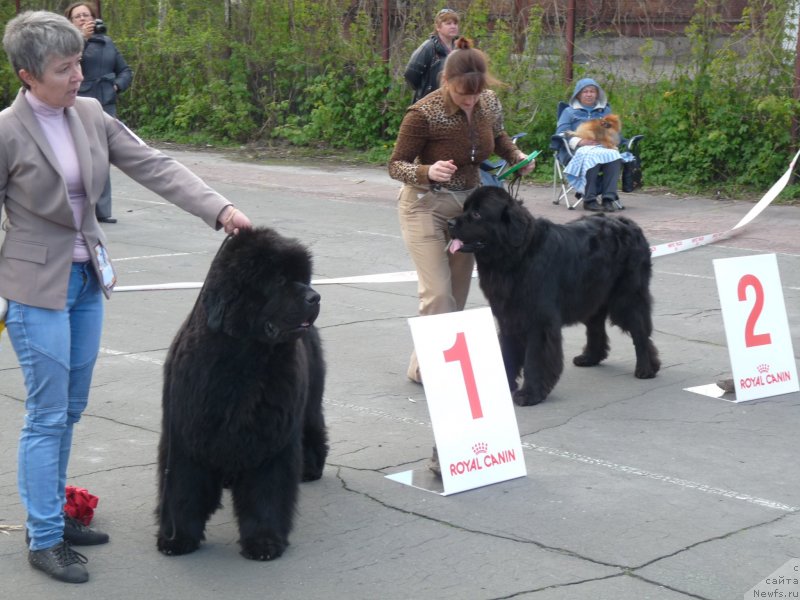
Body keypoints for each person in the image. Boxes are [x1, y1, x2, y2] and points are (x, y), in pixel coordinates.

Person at [0, 11, 252, 584]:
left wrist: (221, 210)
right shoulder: (6, 132)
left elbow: (155, 166)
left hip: (87, 282)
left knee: (70, 407)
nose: (77, 76)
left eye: (78, 63)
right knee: (45, 413)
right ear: (26, 75)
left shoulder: (90, 114)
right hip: (35, 289)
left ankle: (57, 514)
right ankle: (43, 538)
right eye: (63, 69)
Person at [389, 37, 534, 388]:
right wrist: (426, 172)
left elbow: (498, 136)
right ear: (446, 82)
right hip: (425, 206)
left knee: (456, 292)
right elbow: (395, 165)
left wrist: (516, 157)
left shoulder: (487, 102)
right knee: (438, 293)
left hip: (469, 209)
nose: (470, 101)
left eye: (475, 94)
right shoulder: (422, 114)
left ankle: (424, 365)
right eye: (461, 95)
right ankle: (434, 371)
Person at [65, 2, 133, 224]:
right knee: (77, 156)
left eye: (87, 15)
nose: (84, 19)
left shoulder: (107, 42)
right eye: (78, 17)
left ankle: (103, 211)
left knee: (102, 155)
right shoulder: (67, 44)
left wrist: (117, 86)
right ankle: (77, 207)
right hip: (78, 102)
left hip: (105, 103)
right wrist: (80, 39)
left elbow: (125, 70)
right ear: (70, 22)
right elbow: (65, 63)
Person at [555, 77, 623, 212]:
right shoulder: (569, 112)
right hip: (576, 150)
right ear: (578, 94)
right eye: (585, 91)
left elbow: (615, 132)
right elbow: (561, 133)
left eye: (592, 91)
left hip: (602, 147)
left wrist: (609, 139)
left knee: (614, 157)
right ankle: (589, 199)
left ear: (597, 94)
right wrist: (580, 141)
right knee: (591, 158)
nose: (589, 94)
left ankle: (608, 198)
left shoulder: (604, 111)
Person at [403, 8, 460, 104]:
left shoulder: (459, 49)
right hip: (429, 104)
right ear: (438, 27)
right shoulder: (428, 47)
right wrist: (426, 90)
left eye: (455, 23)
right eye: (448, 23)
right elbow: (410, 75)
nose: (453, 26)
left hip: (452, 103)